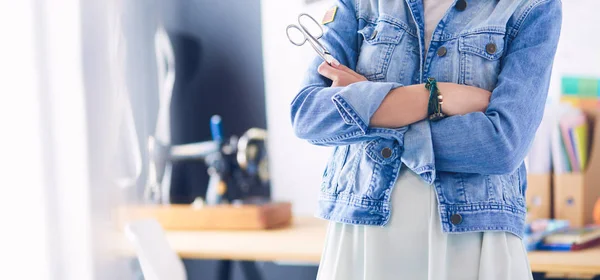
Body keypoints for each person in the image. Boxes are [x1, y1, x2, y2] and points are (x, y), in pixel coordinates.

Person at [290, 0, 562, 279]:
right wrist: (434, 96)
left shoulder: (531, 7)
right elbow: (309, 115)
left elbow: (502, 144)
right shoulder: (359, 4)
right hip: (363, 235)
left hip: (474, 239)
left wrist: (372, 107)